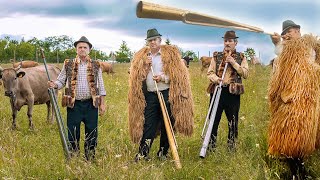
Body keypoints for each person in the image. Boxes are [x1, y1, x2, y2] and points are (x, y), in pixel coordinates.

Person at [128, 28, 194, 161]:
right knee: (149, 124)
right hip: (151, 95)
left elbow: (178, 76)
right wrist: (145, 66)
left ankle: (163, 152)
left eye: (154, 40)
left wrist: (162, 78)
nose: (152, 42)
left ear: (159, 40)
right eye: (150, 40)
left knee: (167, 123)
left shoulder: (169, 55)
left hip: (166, 94)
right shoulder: (143, 57)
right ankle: (143, 153)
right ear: (147, 42)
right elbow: (137, 77)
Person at [268, 20, 320, 178]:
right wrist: (278, 43)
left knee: (303, 136)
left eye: (289, 32)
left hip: (307, 99)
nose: (287, 35)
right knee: (289, 136)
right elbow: (283, 54)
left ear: (297, 30)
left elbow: (307, 58)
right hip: (289, 99)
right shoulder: (286, 49)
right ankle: (295, 169)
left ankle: (300, 168)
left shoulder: (309, 46)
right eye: (284, 33)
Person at [48, 36, 106, 161]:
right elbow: (61, 80)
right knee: (73, 132)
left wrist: (102, 104)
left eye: (85, 47)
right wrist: (55, 85)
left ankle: (89, 157)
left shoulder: (96, 65)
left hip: (91, 104)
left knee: (92, 131)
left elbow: (100, 85)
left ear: (89, 50)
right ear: (76, 50)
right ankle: (74, 156)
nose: (82, 49)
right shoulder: (68, 64)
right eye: (80, 47)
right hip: (74, 104)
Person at [206, 30, 249, 151]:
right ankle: (210, 147)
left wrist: (234, 63)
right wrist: (216, 79)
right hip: (218, 91)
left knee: (233, 121)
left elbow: (245, 74)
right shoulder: (217, 56)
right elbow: (209, 73)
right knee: (213, 120)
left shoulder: (241, 57)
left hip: (232, 93)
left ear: (236, 42)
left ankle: (231, 147)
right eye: (225, 41)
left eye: (230, 41)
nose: (227, 43)